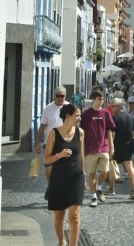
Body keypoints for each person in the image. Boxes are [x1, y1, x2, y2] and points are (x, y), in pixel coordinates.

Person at [44, 103, 84, 246]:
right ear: (68, 116)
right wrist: (59, 155)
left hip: (76, 178)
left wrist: (83, 175)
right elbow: (46, 159)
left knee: (75, 216)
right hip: (58, 178)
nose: (80, 118)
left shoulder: (80, 133)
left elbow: (81, 158)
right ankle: (61, 242)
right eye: (77, 115)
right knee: (59, 218)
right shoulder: (53, 134)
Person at [80, 91, 115, 207]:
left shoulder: (105, 113)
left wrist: (111, 145)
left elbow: (109, 130)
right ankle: (93, 197)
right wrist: (81, 149)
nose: (101, 101)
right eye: (99, 99)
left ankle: (98, 187)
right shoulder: (86, 114)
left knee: (105, 172)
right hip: (90, 148)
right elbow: (82, 132)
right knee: (91, 174)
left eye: (102, 99)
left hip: (103, 147)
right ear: (93, 99)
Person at [36, 87, 67, 181]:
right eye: (58, 96)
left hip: (64, 142)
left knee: (63, 169)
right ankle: (51, 187)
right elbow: (42, 126)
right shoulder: (48, 109)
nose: (60, 98)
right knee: (49, 167)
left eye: (62, 96)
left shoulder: (69, 107)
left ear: (65, 96)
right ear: (54, 96)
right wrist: (38, 143)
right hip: (49, 143)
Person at [109, 98, 134, 199]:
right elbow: (133, 132)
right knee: (130, 168)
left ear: (119, 107)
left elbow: (113, 133)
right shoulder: (130, 116)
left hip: (116, 145)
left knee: (112, 166)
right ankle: (133, 190)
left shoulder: (114, 117)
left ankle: (112, 189)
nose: (112, 107)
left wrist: (110, 146)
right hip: (128, 145)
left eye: (113, 106)